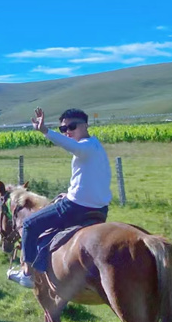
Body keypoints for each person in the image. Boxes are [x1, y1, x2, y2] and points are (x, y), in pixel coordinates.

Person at [8, 108, 112, 288]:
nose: (68, 132)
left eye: (72, 126)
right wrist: (70, 192)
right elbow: (90, 178)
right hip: (100, 209)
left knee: (29, 224)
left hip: (77, 207)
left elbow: (73, 147)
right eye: (64, 129)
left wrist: (46, 131)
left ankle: (27, 274)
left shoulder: (85, 146)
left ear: (86, 125)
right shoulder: (96, 147)